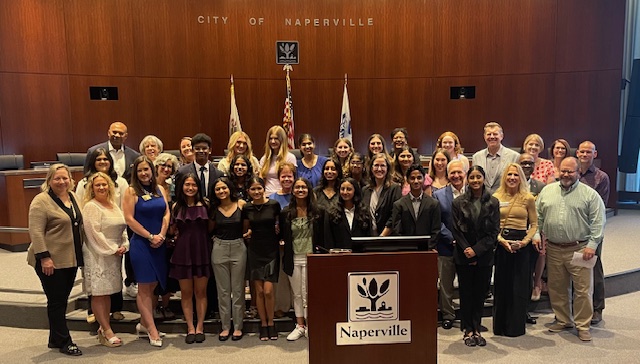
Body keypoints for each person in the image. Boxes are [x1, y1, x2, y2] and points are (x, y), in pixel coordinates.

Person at [535, 157, 605, 342]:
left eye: (570, 171)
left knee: (583, 290)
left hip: (581, 249)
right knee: (557, 287)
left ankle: (583, 325)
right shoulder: (547, 191)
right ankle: (563, 319)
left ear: (578, 173)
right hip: (555, 248)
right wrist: (535, 234)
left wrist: (592, 245)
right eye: (563, 171)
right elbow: (538, 216)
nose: (566, 174)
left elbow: (598, 222)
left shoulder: (589, 195)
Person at [27, 164, 84, 356]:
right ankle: (65, 341)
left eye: (65, 178)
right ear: (49, 180)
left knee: (61, 299)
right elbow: (35, 232)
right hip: (50, 260)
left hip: (70, 258)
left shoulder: (74, 196)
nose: (62, 182)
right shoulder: (41, 200)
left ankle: (54, 338)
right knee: (57, 301)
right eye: (57, 178)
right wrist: (44, 258)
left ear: (70, 179)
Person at [75, 148, 128, 323]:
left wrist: (122, 244)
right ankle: (96, 314)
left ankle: (114, 310)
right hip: (97, 243)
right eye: (99, 159)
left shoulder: (119, 183)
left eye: (106, 159)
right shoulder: (84, 185)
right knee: (98, 287)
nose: (103, 162)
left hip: (115, 237)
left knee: (113, 282)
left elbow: (122, 214)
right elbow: (85, 214)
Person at [122, 156, 170, 347]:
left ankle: (144, 324)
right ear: (136, 172)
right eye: (140, 170)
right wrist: (150, 236)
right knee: (144, 286)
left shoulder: (159, 189)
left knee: (153, 285)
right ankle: (152, 330)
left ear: (152, 170)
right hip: (142, 244)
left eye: (147, 169)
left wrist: (162, 234)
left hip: (160, 242)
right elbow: (129, 219)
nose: (144, 173)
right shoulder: (131, 191)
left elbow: (166, 212)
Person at [451, 165, 500, 347]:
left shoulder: (493, 202)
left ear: (483, 179)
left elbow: (494, 232)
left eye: (478, 177)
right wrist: (468, 250)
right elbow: (456, 231)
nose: (475, 181)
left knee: (480, 294)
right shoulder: (458, 202)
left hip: (484, 256)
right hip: (463, 255)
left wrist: (477, 250)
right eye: (472, 177)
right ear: (467, 180)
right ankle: (467, 329)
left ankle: (477, 327)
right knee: (466, 293)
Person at [82, 172, 129, 347]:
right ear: (92, 188)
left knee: (108, 292)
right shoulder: (91, 207)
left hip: (114, 254)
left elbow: (122, 227)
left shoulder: (113, 205)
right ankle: (106, 330)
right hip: (98, 254)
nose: (102, 187)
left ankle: (104, 327)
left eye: (104, 184)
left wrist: (125, 244)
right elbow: (93, 233)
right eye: (98, 185)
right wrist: (111, 249)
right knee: (99, 293)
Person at [492, 163, 538, 337]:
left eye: (516, 175)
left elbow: (534, 225)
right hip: (502, 245)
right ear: (505, 177)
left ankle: (515, 328)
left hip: (521, 246)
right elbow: (492, 226)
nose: (512, 178)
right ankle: (500, 327)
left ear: (521, 178)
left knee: (518, 286)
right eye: (509, 175)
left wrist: (525, 242)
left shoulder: (528, 198)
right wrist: (501, 241)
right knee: (502, 286)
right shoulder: (496, 197)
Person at [169, 173, 211, 344]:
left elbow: (210, 227)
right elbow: (171, 230)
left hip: (202, 251)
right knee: (186, 293)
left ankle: (200, 326)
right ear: (182, 186)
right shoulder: (176, 207)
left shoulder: (206, 204)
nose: (190, 188)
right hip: (182, 252)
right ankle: (190, 327)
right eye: (187, 184)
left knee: (201, 292)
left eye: (194, 185)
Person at [280, 178, 322, 340]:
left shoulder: (318, 212)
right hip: (293, 258)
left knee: (309, 294)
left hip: (312, 258)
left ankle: (311, 325)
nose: (300, 190)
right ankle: (300, 325)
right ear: (293, 190)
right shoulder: (286, 213)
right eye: (297, 187)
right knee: (297, 294)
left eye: (304, 187)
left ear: (309, 190)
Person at [242, 177, 282, 341]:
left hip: (271, 250)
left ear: (264, 189)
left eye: (259, 188)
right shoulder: (247, 207)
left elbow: (280, 225)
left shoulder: (273, 205)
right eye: (253, 189)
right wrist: (248, 234)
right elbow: (245, 229)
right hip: (255, 251)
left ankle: (271, 322)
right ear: (248, 192)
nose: (257, 192)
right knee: (258, 291)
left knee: (268, 290)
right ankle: (263, 324)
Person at [210, 177, 248, 342]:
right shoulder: (214, 208)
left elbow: (246, 227)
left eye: (224, 188)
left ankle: (238, 326)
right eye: (218, 189)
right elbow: (210, 229)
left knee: (238, 290)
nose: (221, 191)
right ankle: (226, 327)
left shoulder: (241, 205)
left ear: (230, 188)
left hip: (238, 246)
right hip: (219, 248)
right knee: (223, 291)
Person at [577, 141, 610, 325]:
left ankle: (598, 309)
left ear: (594, 154)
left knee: (594, 268)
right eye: (582, 151)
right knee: (577, 269)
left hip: (592, 231)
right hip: (573, 230)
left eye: (588, 152)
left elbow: (601, 209)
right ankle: (580, 307)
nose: (585, 154)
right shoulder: (573, 173)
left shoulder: (601, 177)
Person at [432, 160, 466, 329]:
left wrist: (465, 242)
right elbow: (437, 222)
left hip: (468, 249)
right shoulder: (438, 195)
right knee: (446, 284)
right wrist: (452, 239)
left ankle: (467, 314)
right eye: (452, 173)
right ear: (448, 175)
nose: (456, 176)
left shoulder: (473, 193)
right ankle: (448, 314)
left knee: (467, 283)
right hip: (446, 246)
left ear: (465, 173)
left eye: (459, 172)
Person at [153, 152, 180, 321]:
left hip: (173, 236)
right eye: (163, 165)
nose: (166, 168)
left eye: (169, 166)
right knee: (157, 272)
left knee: (170, 273)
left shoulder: (174, 187)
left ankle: (166, 305)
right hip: (155, 235)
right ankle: (154, 306)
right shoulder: (150, 187)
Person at [390, 165, 441, 249]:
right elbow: (397, 231)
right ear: (407, 180)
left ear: (424, 179)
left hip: (427, 251)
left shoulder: (433, 204)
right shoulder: (399, 205)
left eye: (419, 178)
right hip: (406, 251)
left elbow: (436, 231)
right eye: (412, 178)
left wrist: (427, 248)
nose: (416, 181)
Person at [519, 153, 546, 305]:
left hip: (534, 231)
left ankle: (533, 291)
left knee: (532, 265)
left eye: (530, 163)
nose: (527, 166)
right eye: (523, 163)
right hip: (517, 232)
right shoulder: (512, 183)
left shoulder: (540, 186)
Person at [324, 178, 373, 249]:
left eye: (349, 189)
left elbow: (369, 236)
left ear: (355, 191)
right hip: (338, 255)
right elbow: (328, 238)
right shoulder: (331, 212)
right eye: (342, 189)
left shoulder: (364, 212)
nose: (345, 192)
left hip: (359, 255)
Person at [471, 122, 520, 194]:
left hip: (505, 198)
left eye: (495, 134)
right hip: (483, 200)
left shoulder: (514, 156)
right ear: (484, 137)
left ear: (501, 136)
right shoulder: (476, 157)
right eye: (489, 134)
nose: (492, 137)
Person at [176, 133, 225, 199]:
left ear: (210, 150)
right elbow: (178, 196)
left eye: (204, 148)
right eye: (197, 149)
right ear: (193, 150)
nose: (201, 151)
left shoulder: (218, 174)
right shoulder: (182, 172)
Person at [363, 153, 402, 236]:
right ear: (371, 168)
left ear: (387, 168)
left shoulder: (394, 188)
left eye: (383, 166)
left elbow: (394, 215)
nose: (379, 169)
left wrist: (382, 237)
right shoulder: (365, 190)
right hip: (369, 238)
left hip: (387, 239)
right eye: (376, 165)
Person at [259, 125, 298, 196]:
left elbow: (292, 180)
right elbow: (261, 180)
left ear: (282, 140)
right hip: (267, 196)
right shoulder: (264, 159)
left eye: (276, 138)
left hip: (284, 195)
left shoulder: (290, 157)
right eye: (271, 138)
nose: (273, 141)